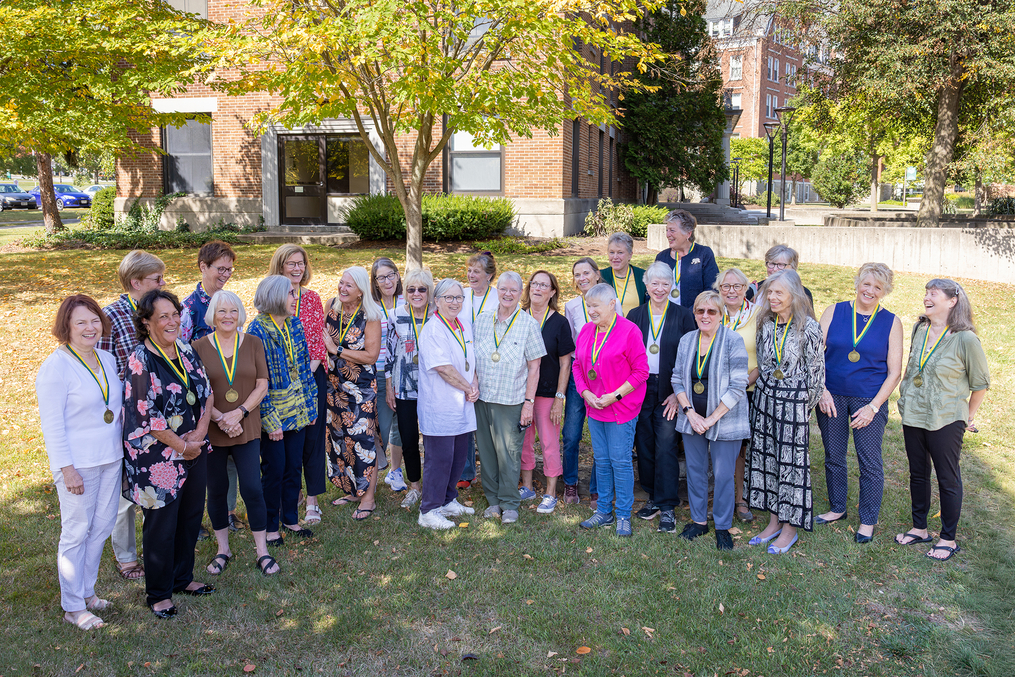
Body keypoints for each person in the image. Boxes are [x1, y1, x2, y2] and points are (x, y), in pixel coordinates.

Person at [121, 289, 216, 618]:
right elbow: (147, 417)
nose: (172, 321)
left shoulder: (186, 350)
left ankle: (182, 578)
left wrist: (200, 436)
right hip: (157, 459)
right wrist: (183, 446)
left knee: (190, 516)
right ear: (146, 322)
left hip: (195, 447)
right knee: (162, 523)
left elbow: (207, 392)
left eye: (175, 314)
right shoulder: (140, 360)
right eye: (163, 316)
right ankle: (159, 593)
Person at [37, 295, 123, 630]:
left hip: (110, 458)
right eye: (81, 323)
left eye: (94, 320)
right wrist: (66, 468)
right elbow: (52, 425)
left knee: (101, 527)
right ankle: (72, 606)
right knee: (76, 531)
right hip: (78, 466)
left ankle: (87, 592)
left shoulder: (105, 358)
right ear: (67, 328)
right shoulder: (56, 368)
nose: (90, 328)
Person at [895, 279, 989, 561]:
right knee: (918, 473)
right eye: (925, 292)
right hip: (914, 413)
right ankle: (919, 528)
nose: (926, 297)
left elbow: (980, 384)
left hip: (947, 419)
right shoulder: (920, 328)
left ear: (952, 301)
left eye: (933, 294)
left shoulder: (966, 339)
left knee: (947, 479)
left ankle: (948, 539)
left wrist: (967, 417)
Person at [815, 263, 903, 543]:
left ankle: (867, 519)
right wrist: (821, 390)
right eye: (866, 284)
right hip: (832, 395)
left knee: (869, 461)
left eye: (878, 287)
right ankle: (837, 508)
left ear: (884, 291)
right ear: (857, 283)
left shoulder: (891, 322)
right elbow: (815, 355)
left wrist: (874, 407)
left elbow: (894, 372)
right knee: (833, 456)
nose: (870, 290)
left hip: (869, 400)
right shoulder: (834, 311)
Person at [193, 290, 279, 576]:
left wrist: (238, 413)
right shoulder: (198, 347)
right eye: (221, 311)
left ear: (240, 314)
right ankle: (223, 549)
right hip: (213, 430)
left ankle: (262, 551)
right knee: (216, 491)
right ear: (213, 316)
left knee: (253, 489)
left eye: (233, 311)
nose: (228, 316)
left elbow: (262, 384)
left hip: (246, 427)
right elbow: (198, 389)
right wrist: (219, 417)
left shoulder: (253, 343)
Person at [97, 250, 166, 581]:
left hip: (162, 416)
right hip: (126, 419)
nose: (163, 284)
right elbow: (101, 371)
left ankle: (160, 544)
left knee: (158, 480)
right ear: (135, 282)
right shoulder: (109, 317)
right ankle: (126, 557)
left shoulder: (158, 312)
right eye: (157, 279)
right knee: (124, 491)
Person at [745, 270, 824, 555]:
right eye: (770, 292)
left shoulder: (809, 328)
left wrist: (803, 407)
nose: (773, 297)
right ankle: (774, 521)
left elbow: (816, 376)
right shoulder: (765, 324)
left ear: (794, 294)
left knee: (791, 465)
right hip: (765, 401)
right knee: (767, 462)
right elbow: (765, 363)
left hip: (793, 405)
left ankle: (790, 528)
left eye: (779, 292)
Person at [671, 291, 750, 550]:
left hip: (726, 420)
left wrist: (712, 418)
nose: (705, 316)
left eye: (711, 311)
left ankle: (723, 526)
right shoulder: (686, 340)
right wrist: (691, 414)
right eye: (700, 311)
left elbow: (739, 385)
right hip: (691, 420)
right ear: (694, 314)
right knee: (695, 472)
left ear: (721, 315)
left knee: (724, 474)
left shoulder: (733, 340)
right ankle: (698, 521)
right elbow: (677, 379)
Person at [572, 283, 649, 537]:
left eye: (595, 306)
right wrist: (586, 393)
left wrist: (614, 396)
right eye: (588, 305)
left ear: (612, 304)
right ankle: (603, 512)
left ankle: (623, 515)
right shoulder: (586, 330)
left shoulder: (629, 331)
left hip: (621, 409)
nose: (590, 310)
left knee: (620, 462)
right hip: (595, 407)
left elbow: (641, 372)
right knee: (602, 462)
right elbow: (577, 367)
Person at [246, 275, 318, 545]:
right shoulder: (257, 331)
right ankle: (270, 526)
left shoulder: (294, 324)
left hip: (298, 412)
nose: (295, 297)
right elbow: (256, 381)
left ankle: (291, 518)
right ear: (275, 296)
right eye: (290, 293)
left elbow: (304, 369)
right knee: (274, 471)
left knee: (292, 467)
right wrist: (269, 420)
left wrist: (310, 407)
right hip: (274, 417)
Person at [626, 262, 695, 531]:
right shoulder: (634, 315)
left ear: (671, 287)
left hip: (670, 389)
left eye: (665, 284)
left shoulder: (683, 315)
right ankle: (652, 497)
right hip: (640, 389)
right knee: (643, 443)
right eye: (654, 283)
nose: (659, 288)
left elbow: (690, 357)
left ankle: (667, 505)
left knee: (666, 444)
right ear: (646, 285)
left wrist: (679, 394)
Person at [473, 271, 546, 525]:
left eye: (513, 291)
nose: (507, 294)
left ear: (520, 294)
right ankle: (493, 501)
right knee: (487, 451)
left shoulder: (528, 325)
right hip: (482, 399)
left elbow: (535, 368)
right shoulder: (481, 320)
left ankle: (510, 503)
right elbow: (472, 360)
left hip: (512, 400)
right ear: (497, 291)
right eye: (503, 289)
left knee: (510, 453)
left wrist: (529, 403)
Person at [269, 244, 328, 525]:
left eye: (301, 263)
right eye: (291, 263)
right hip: (280, 383)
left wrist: (304, 376)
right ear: (280, 266)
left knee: (312, 441)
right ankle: (290, 497)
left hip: (311, 376)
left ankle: (313, 502)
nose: (297, 268)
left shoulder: (313, 298)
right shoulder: (271, 297)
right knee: (288, 442)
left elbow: (318, 343)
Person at [416, 278, 479, 529]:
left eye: (459, 297)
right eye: (449, 298)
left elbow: (470, 360)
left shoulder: (462, 325)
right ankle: (429, 510)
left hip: (462, 403)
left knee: (458, 456)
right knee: (440, 458)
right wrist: (468, 387)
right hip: (440, 405)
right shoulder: (433, 329)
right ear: (437, 301)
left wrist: (473, 383)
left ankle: (448, 499)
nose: (455, 302)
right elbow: (443, 368)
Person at [324, 266, 383, 520]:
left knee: (364, 442)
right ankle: (352, 489)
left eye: (349, 285)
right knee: (340, 440)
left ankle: (368, 497)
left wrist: (336, 350)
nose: (342, 288)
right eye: (341, 282)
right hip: (333, 387)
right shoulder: (332, 307)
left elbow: (371, 355)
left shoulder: (370, 315)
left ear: (361, 291)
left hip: (360, 390)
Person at [519, 270, 575, 514]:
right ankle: (528, 487)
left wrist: (559, 399)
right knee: (525, 441)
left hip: (548, 393)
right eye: (534, 283)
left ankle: (551, 492)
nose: (538, 288)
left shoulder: (560, 323)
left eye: (544, 285)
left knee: (550, 443)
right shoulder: (518, 318)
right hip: (521, 393)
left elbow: (565, 363)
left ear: (552, 292)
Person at [714, 267, 761, 523]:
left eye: (737, 286)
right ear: (718, 289)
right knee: (718, 445)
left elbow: (765, 355)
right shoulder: (712, 312)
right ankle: (720, 497)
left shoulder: (758, 314)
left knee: (740, 447)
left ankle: (741, 499)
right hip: (714, 392)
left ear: (746, 288)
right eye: (725, 286)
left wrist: (740, 385)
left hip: (748, 390)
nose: (731, 291)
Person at [561, 257, 608, 507]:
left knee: (600, 435)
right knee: (571, 434)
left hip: (604, 378)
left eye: (586, 273)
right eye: (577, 274)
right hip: (578, 377)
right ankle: (570, 484)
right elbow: (570, 345)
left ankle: (596, 489)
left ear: (597, 275)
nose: (582, 278)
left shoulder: (611, 302)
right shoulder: (570, 306)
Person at [385, 267, 433, 509]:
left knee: (434, 439)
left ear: (429, 292)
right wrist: (388, 386)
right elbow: (389, 354)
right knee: (409, 438)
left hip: (434, 388)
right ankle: (414, 486)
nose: (416, 293)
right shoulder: (394, 315)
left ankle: (435, 487)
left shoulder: (438, 315)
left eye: (422, 289)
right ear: (405, 292)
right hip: (403, 388)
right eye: (411, 289)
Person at [458, 251, 497, 489]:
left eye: (477, 272)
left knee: (485, 421)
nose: (471, 275)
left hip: (489, 364)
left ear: (489, 276)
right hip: (462, 364)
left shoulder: (498, 297)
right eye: (470, 271)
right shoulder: (460, 294)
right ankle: (465, 472)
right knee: (463, 416)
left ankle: (492, 472)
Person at [371, 257, 403, 489]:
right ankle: (373, 469)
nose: (387, 280)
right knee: (381, 425)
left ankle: (395, 470)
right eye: (381, 277)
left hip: (404, 372)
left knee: (401, 425)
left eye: (391, 274)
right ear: (375, 282)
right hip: (379, 372)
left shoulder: (408, 300)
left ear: (398, 275)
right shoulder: (370, 305)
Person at [653, 210, 719, 309]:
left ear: (688, 234)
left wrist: (689, 316)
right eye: (667, 230)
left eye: (672, 230)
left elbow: (712, 290)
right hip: (665, 317)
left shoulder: (704, 254)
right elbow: (653, 289)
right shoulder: (661, 257)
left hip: (695, 317)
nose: (667, 234)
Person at [179, 240, 237, 343]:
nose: (226, 274)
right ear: (203, 267)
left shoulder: (232, 302)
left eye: (229, 269)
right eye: (221, 269)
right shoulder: (188, 307)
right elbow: (181, 347)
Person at [745, 244, 814, 310]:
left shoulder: (803, 294)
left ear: (793, 267)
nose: (775, 269)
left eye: (781, 265)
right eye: (771, 264)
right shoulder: (754, 290)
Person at [599, 232, 647, 317]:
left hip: (635, 328)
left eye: (620, 252)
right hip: (609, 329)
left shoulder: (643, 276)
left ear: (630, 255)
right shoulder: (601, 276)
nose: (615, 257)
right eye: (612, 252)